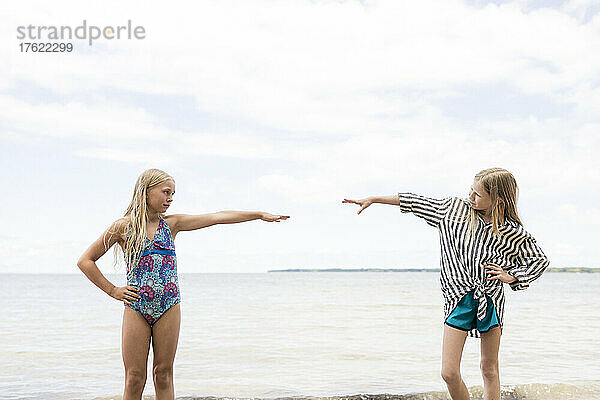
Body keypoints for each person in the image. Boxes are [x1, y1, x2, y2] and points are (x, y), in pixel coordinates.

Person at [77, 168, 289, 400]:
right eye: (166, 192)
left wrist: (258, 214)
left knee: (163, 374)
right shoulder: (123, 227)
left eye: (173, 194)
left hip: (169, 305)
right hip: (136, 306)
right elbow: (86, 261)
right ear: (146, 192)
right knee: (135, 377)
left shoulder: (172, 224)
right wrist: (113, 290)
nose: (170, 198)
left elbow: (216, 217)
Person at [342, 167, 549, 400]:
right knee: (449, 373)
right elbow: (415, 201)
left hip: (490, 302)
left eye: (477, 194)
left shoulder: (511, 231)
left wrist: (511, 276)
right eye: (470, 190)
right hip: (458, 300)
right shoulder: (453, 210)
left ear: (498, 200)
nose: (470, 196)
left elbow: (539, 260)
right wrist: (375, 199)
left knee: (488, 368)